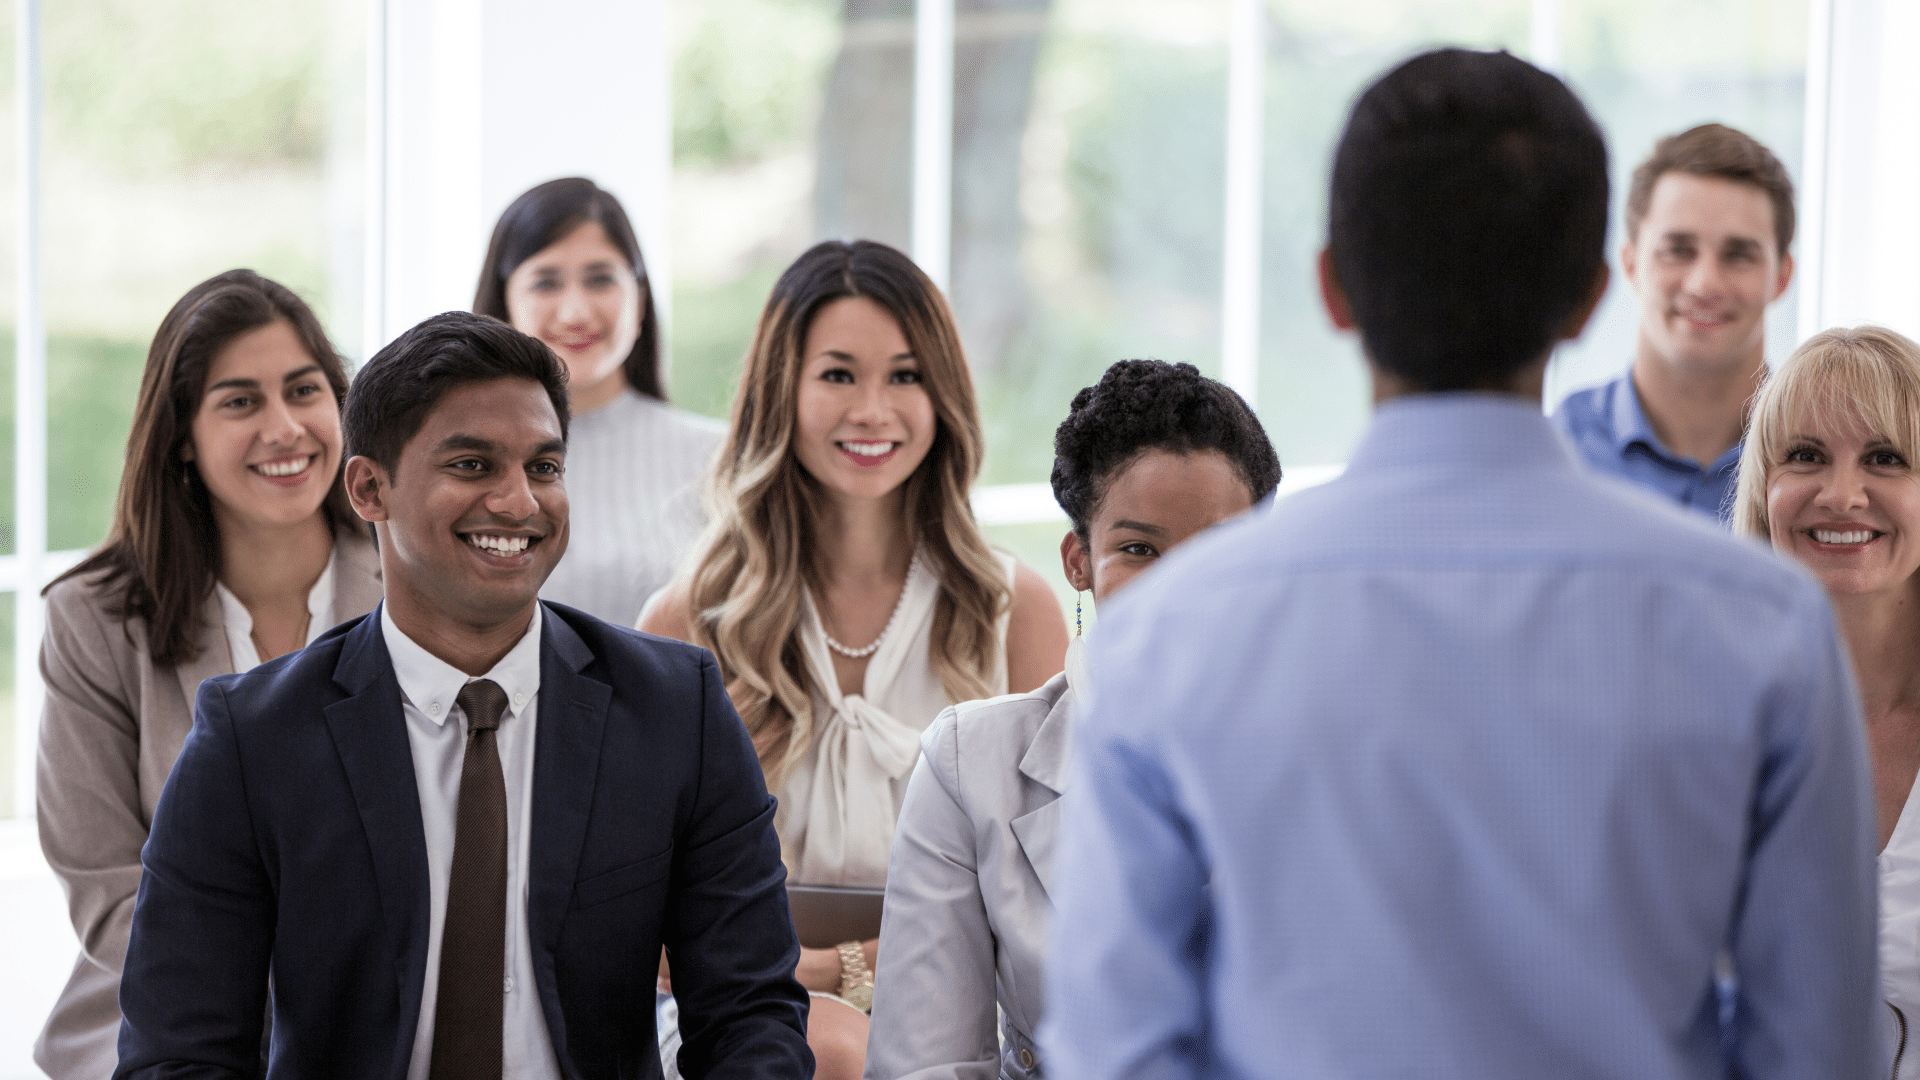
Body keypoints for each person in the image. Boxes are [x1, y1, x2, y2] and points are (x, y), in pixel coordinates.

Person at [1042, 48, 1879, 1080]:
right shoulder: (1761, 626)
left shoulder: (1172, 636)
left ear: (1333, 289)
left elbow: (1114, 1048)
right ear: (1587, 298)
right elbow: (1818, 1052)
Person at [113, 312, 811, 1080]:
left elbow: (750, 1015)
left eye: (544, 467)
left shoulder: (677, 710)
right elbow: (177, 1056)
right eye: (474, 465)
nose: (520, 503)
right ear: (369, 487)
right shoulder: (250, 741)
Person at [641, 239, 1068, 1079]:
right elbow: (633, 917)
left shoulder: (1016, 610)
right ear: (782, 392)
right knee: (824, 1043)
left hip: (965, 1011)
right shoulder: (688, 621)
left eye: (905, 377)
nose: (873, 409)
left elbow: (1057, 896)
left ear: (941, 395)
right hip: (733, 1011)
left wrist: (865, 978)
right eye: (838, 375)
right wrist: (839, 977)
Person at [863, 359, 1280, 1080]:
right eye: (1140, 550)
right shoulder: (971, 763)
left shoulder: (1334, 748)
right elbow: (923, 1066)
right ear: (1079, 560)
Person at [33, 270, 383, 1080]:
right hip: (163, 1018)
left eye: (305, 390)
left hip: (387, 1020)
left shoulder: (416, 591)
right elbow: (108, 894)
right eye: (239, 401)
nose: (286, 427)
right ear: (182, 434)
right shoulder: (92, 619)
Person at [1731, 325, 1920, 1078]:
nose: (1842, 494)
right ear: (1764, 490)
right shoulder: (1694, 730)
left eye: (1886, 458)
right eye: (1805, 455)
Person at [476, 177, 724, 624]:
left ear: (640, 298)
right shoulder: (460, 460)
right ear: (504, 302)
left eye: (600, 279)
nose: (575, 312)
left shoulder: (719, 458)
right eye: (546, 283)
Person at [1551, 123, 1795, 521]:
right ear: (1630, 265)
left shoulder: (1824, 467)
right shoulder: (1557, 452)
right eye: (1677, 250)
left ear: (1782, 277)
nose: (1704, 284)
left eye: (1738, 255)